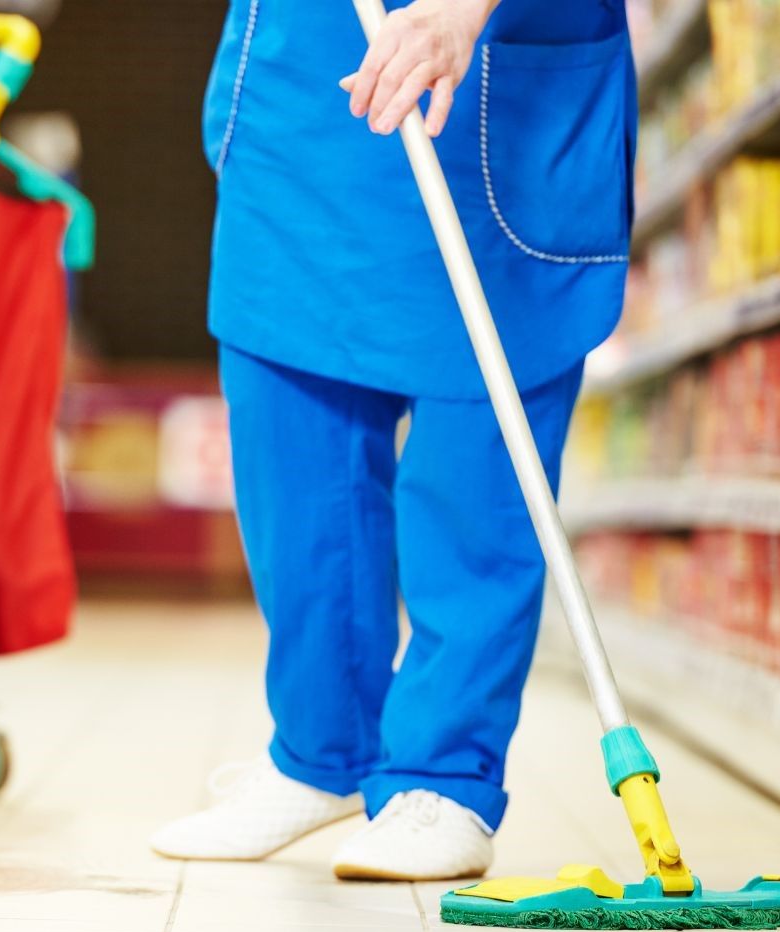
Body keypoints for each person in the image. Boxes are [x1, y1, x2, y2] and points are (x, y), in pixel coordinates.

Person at [151, 0, 636, 880]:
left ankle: (442, 777)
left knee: (475, 469)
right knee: (290, 443)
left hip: (495, 92)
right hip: (308, 92)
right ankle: (319, 752)